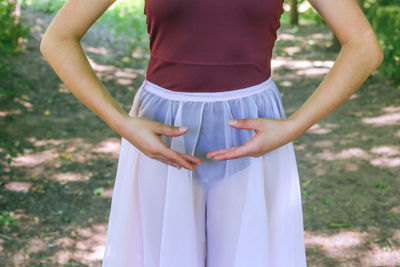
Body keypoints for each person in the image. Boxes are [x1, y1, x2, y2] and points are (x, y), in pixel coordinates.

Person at [40, 0, 383, 266]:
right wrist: (122, 123)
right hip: (162, 138)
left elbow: (363, 45)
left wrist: (293, 127)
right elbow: (58, 39)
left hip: (251, 139)